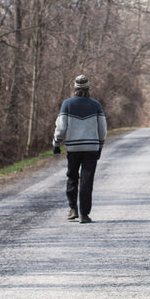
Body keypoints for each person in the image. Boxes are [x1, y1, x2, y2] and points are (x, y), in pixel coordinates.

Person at [53, 74, 107, 223]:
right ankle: (84, 213)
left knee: (72, 176)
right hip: (91, 148)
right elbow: (102, 128)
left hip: (73, 148)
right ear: (88, 88)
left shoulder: (67, 104)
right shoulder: (96, 105)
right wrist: (100, 145)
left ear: (75, 88)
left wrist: (56, 143)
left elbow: (61, 126)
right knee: (86, 180)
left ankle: (73, 209)